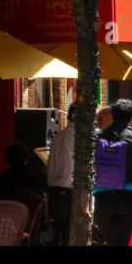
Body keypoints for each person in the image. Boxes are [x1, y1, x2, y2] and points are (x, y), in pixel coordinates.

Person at [93, 98, 132, 246]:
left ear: (113, 116)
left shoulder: (96, 137)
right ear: (131, 118)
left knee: (107, 242)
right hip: (131, 198)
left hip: (102, 198)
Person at [45, 104, 77, 244]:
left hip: (54, 192)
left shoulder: (58, 136)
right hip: (70, 192)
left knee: (56, 235)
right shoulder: (80, 137)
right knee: (69, 237)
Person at [0, 140, 46, 211]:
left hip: (8, 219)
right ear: (26, 157)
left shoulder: (1, 179)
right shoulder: (37, 176)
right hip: (32, 220)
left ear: (6, 159)